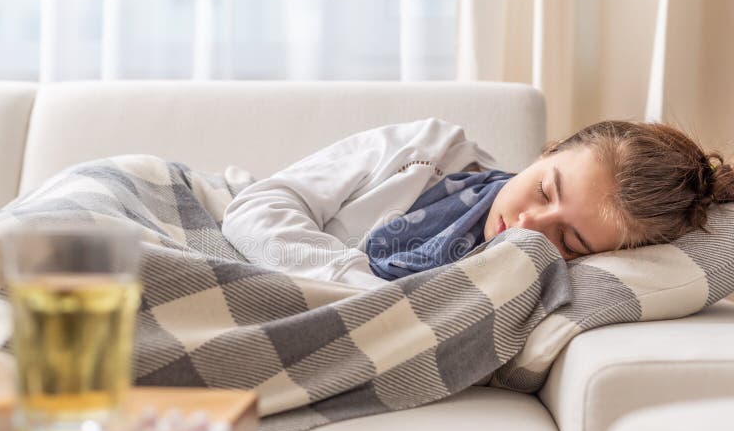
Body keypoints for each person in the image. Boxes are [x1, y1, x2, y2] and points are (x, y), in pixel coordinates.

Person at [222, 118, 734, 290]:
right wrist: (358, 282)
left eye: (570, 240)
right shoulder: (425, 150)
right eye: (545, 190)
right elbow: (257, 206)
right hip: (218, 208)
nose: (528, 225)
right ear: (549, 151)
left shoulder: (530, 285)